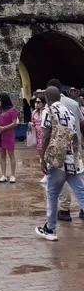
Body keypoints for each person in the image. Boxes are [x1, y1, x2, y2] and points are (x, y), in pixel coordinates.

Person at [35, 85, 84, 241]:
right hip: (72, 157)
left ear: (47, 99)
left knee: (52, 193)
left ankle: (50, 228)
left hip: (58, 159)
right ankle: (50, 227)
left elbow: (45, 136)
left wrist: (43, 159)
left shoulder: (48, 112)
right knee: (80, 191)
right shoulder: (68, 112)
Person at [47, 78, 84, 222]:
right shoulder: (73, 104)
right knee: (77, 180)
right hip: (74, 147)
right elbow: (81, 122)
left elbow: (46, 133)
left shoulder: (50, 108)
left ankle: (64, 209)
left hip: (58, 150)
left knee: (58, 183)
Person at [0, 93, 18, 183]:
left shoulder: (12, 110)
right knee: (2, 155)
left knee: (11, 154)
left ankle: (12, 175)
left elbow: (14, 123)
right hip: (1, 133)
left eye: (0, 100)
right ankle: (3, 174)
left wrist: (4, 128)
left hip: (8, 133)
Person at [29, 93, 47, 183]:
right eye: (36, 102)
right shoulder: (34, 112)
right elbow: (32, 121)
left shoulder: (46, 112)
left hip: (45, 135)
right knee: (41, 155)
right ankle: (45, 173)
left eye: (38, 102)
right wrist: (31, 125)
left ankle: (48, 173)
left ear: (43, 103)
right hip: (37, 135)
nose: (36, 104)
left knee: (46, 154)